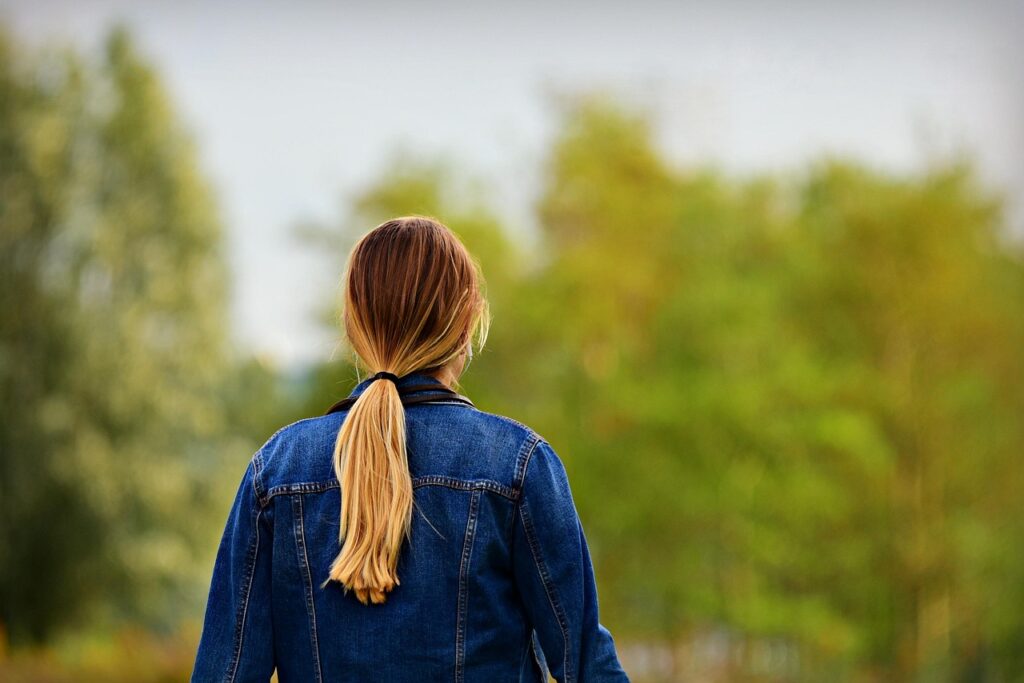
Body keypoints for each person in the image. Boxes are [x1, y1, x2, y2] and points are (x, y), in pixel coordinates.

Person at [191, 216, 630, 682]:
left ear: (353, 326)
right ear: (466, 326)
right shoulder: (518, 467)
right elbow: (589, 666)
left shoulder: (276, 473)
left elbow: (226, 672)